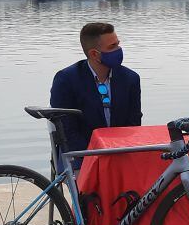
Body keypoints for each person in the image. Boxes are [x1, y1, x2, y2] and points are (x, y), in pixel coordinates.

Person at [50, 22, 142, 165]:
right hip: (79, 155)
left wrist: (117, 153)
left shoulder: (131, 79)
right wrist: (94, 156)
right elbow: (67, 129)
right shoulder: (66, 80)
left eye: (118, 44)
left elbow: (134, 122)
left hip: (120, 152)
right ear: (94, 53)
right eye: (112, 47)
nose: (118, 49)